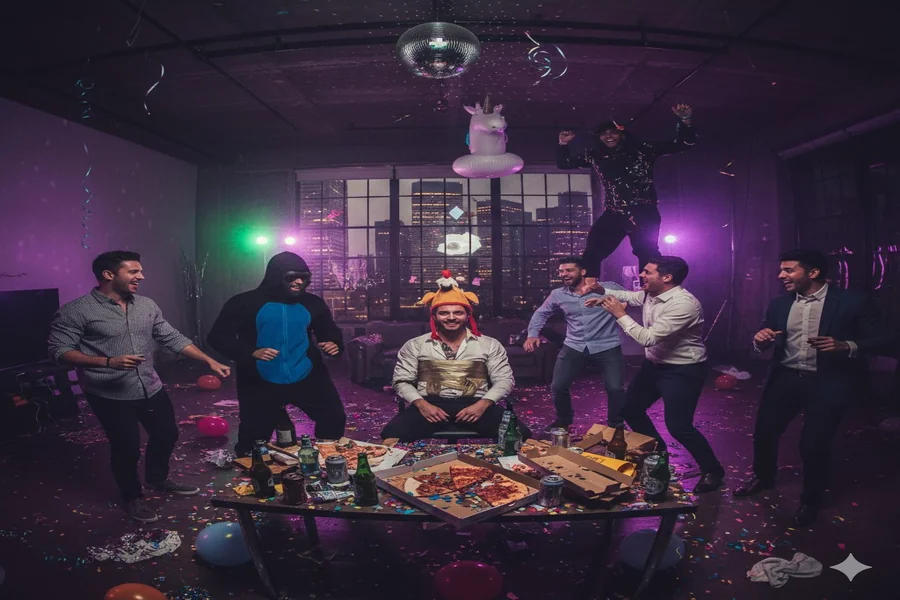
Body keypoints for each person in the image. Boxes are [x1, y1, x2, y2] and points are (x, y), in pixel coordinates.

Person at [48, 251, 232, 523]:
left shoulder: (146, 305)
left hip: (150, 386)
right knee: (127, 448)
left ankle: (157, 479)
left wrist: (209, 360)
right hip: (109, 394)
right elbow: (59, 351)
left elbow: (171, 337)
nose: (141, 277)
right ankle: (132, 497)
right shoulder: (76, 310)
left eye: (140, 271)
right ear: (108, 275)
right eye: (133, 272)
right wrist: (107, 361)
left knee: (167, 434)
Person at [735, 250, 887, 526]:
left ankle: (810, 501)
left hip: (829, 380)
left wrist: (847, 346)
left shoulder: (853, 302)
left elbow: (883, 340)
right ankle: (763, 477)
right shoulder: (779, 303)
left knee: (814, 443)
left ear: (813, 273)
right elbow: (765, 334)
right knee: (765, 432)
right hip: (786, 378)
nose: (781, 275)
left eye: (789, 270)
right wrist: (760, 340)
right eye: (782, 270)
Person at [585, 256, 724, 493]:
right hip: (654, 366)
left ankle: (713, 470)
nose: (641, 275)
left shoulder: (684, 304)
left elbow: (648, 338)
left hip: (682, 370)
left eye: (647, 272)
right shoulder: (651, 294)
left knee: (679, 427)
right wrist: (602, 292)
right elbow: (630, 296)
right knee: (630, 409)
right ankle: (658, 455)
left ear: (667, 277)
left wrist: (619, 314)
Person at [207, 252, 345, 456]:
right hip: (259, 379)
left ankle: (326, 459)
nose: (299, 282)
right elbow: (217, 337)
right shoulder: (243, 303)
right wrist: (251, 352)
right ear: (276, 276)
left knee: (333, 417)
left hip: (307, 374)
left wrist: (334, 344)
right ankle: (253, 468)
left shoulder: (313, 303)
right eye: (292, 277)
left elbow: (328, 330)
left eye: (304, 277)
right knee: (253, 436)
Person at [557, 104, 696, 290]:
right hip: (614, 212)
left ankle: (652, 293)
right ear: (599, 137)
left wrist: (685, 121)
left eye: (613, 132)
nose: (609, 136)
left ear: (621, 133)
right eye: (604, 134)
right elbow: (565, 163)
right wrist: (563, 144)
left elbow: (683, 144)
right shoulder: (596, 155)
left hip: (643, 211)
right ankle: (589, 290)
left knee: (647, 253)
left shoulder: (642, 150)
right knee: (593, 251)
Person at [381, 275, 531, 442]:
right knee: (391, 434)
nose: (451, 317)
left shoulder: (489, 344)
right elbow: (401, 381)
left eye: (458, 312)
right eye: (444, 313)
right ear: (434, 316)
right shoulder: (415, 345)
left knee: (522, 435)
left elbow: (504, 380)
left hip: (477, 404)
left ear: (467, 315)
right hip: (429, 404)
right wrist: (422, 405)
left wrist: (482, 405)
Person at [524, 256, 626, 431]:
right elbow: (541, 313)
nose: (564, 274)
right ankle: (564, 419)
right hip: (574, 346)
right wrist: (532, 334)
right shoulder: (558, 294)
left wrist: (621, 307)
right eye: (561, 271)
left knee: (615, 388)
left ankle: (615, 424)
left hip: (607, 345)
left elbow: (632, 299)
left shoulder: (609, 288)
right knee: (558, 386)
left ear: (583, 271)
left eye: (569, 270)